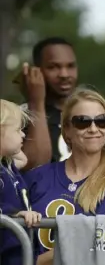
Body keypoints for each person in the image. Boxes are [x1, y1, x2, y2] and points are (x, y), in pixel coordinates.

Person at [23, 87, 105, 264]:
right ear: (67, 129)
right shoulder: (36, 177)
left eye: (102, 121)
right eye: (82, 122)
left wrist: (30, 262)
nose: (93, 128)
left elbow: (92, 244)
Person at [16, 37, 78, 168]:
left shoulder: (87, 114)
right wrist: (36, 104)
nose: (64, 74)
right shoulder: (18, 117)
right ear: (36, 71)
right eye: (53, 67)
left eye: (70, 66)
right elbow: (36, 167)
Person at [0, 100, 42, 265]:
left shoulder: (8, 165)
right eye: (18, 130)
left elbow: (22, 159)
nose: (23, 135)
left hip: (18, 249)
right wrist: (15, 214)